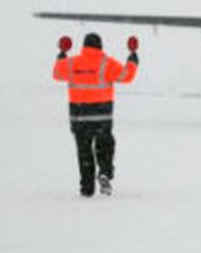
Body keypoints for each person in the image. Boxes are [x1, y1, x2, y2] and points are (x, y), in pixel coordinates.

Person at [53, 32, 138, 197]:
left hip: (79, 118)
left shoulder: (71, 64)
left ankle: (87, 187)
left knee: (84, 152)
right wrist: (133, 57)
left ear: (84, 46)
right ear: (100, 46)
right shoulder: (106, 64)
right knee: (105, 146)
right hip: (101, 117)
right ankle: (105, 172)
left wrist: (62, 53)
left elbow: (57, 72)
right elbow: (127, 75)